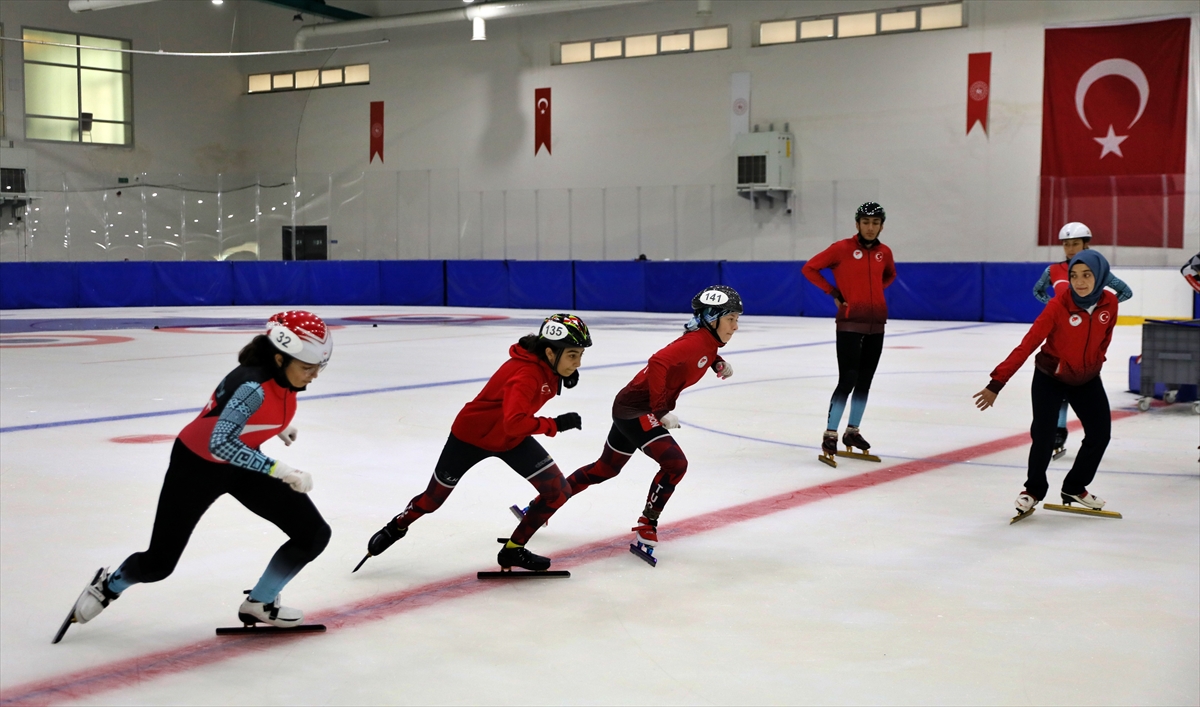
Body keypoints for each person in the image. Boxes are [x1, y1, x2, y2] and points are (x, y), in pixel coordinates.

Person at [57, 312, 333, 642]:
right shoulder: (252, 387)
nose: (315, 375)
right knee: (159, 564)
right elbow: (221, 443)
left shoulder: (280, 376)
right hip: (196, 468)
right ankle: (108, 586)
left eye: (319, 366)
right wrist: (282, 470)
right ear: (279, 358)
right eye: (308, 367)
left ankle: (259, 603)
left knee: (312, 534)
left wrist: (274, 426)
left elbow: (238, 415)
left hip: (241, 464)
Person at [520, 286, 741, 564]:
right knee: (675, 464)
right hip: (637, 410)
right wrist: (660, 410)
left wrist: (716, 362)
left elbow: (692, 355)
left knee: (604, 469)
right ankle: (648, 523)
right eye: (730, 319)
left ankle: (540, 505)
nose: (735, 326)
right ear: (711, 318)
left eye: (736, 319)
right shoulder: (697, 341)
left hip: (628, 406)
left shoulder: (705, 341)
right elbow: (658, 361)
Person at [359, 314, 590, 573]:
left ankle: (513, 549)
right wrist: (555, 424)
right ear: (549, 352)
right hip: (471, 437)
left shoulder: (546, 365)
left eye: (580, 355)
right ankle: (397, 526)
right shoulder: (526, 374)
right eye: (572, 355)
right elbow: (515, 422)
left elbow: (515, 420)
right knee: (432, 500)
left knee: (558, 492)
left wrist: (559, 375)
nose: (578, 363)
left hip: (510, 440)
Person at [973, 250, 1118, 517]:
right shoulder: (1058, 306)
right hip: (1050, 377)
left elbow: (1104, 338)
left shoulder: (1110, 303)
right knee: (1044, 435)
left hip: (1086, 378)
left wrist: (1095, 363)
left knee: (1100, 435)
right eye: (1074, 275)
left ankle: (1074, 486)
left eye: (1087, 275)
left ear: (1100, 276)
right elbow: (1027, 344)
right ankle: (1033, 490)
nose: (1079, 282)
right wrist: (997, 383)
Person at [801, 202, 896, 466]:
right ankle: (830, 434)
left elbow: (890, 275)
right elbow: (809, 268)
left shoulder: (884, 252)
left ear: (881, 226)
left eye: (875, 223)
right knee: (848, 379)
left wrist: (874, 293)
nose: (870, 227)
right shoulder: (841, 249)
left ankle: (852, 432)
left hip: (877, 324)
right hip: (849, 324)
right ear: (857, 224)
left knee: (865, 381)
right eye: (866, 222)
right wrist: (834, 292)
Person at [1032, 222, 1133, 457]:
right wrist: (1055, 311)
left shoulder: (1095, 271)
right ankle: (1058, 432)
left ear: (1086, 244)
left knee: (1077, 384)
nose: (1070, 249)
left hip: (1083, 338)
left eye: (1075, 244)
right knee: (1057, 384)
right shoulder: (1053, 270)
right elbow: (1038, 291)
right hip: (1061, 336)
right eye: (1066, 244)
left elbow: (1125, 292)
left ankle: (1064, 434)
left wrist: (1098, 309)